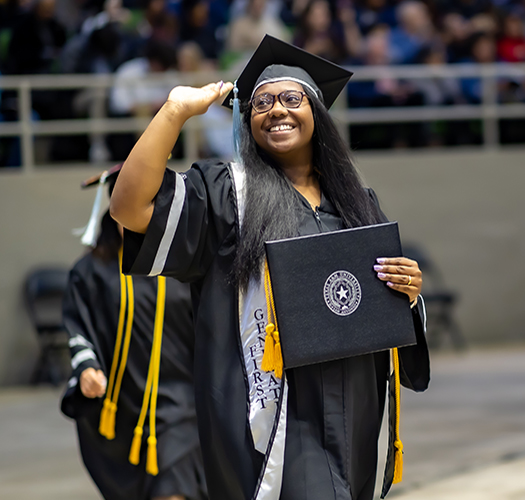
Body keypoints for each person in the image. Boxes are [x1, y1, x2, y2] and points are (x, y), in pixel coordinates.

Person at [109, 36, 430, 500]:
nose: (275, 110)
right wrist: (175, 112)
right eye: (261, 103)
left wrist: (409, 289)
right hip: (277, 412)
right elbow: (129, 208)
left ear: (317, 113)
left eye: (290, 99)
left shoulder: (358, 202)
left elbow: (382, 303)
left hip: (356, 404)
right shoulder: (227, 196)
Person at [61, 165, 208, 500]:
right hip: (121, 403)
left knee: (174, 488)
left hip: (179, 401)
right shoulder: (90, 271)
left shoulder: (185, 264)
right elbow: (78, 326)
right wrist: (87, 369)